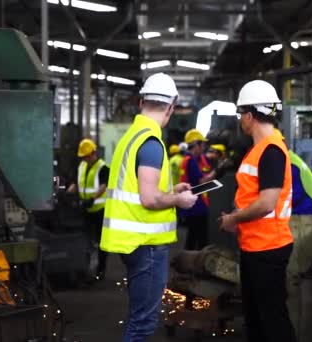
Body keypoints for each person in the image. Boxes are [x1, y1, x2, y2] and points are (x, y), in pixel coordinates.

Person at [100, 72, 198, 342]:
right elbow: (149, 198)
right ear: (171, 107)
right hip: (147, 245)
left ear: (142, 102)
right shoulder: (152, 143)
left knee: (138, 318)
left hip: (134, 243)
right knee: (143, 323)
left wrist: (171, 191)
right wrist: (179, 200)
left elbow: (142, 189)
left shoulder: (132, 136)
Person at [219, 80, 296, 342]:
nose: (241, 120)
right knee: (257, 320)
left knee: (272, 321)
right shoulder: (261, 149)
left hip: (268, 248)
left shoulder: (271, 150)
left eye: (242, 114)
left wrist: (233, 218)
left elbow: (266, 203)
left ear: (250, 116)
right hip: (257, 246)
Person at [275, 129, 312, 339]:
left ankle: (297, 333)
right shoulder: (292, 159)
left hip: (305, 220)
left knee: (295, 277)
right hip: (307, 218)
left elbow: (287, 196)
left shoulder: (287, 162)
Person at [73, 138, 110, 280]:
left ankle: (101, 270)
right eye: (83, 157)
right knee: (86, 240)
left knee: (102, 242)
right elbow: (77, 183)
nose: (85, 159)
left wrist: (92, 199)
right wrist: (69, 192)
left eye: (87, 156)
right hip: (86, 209)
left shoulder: (103, 168)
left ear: (94, 153)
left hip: (100, 210)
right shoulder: (82, 166)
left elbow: (103, 185)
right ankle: (86, 268)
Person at [179, 129, 219, 250]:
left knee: (194, 236)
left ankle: (189, 262)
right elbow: (201, 181)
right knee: (199, 237)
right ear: (195, 145)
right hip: (196, 204)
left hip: (195, 203)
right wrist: (217, 171)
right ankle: (196, 263)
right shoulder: (190, 161)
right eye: (202, 144)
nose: (204, 147)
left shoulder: (194, 159)